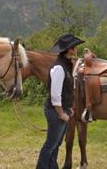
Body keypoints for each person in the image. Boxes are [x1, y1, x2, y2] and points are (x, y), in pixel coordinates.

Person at [36, 33, 83, 169]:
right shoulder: (59, 67)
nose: (76, 49)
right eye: (74, 47)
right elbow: (55, 94)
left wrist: (69, 108)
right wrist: (61, 113)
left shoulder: (65, 65)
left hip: (63, 109)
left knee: (56, 144)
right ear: (69, 49)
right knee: (50, 144)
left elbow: (65, 90)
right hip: (56, 111)